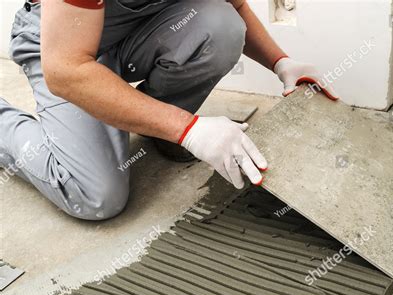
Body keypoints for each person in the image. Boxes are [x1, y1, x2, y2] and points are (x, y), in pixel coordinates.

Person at [0, 0, 336, 220]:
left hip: (137, 34)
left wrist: (282, 63)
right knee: (96, 196)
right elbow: (66, 70)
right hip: (65, 49)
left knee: (221, 24)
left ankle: (158, 128)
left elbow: (234, 7)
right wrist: (189, 128)